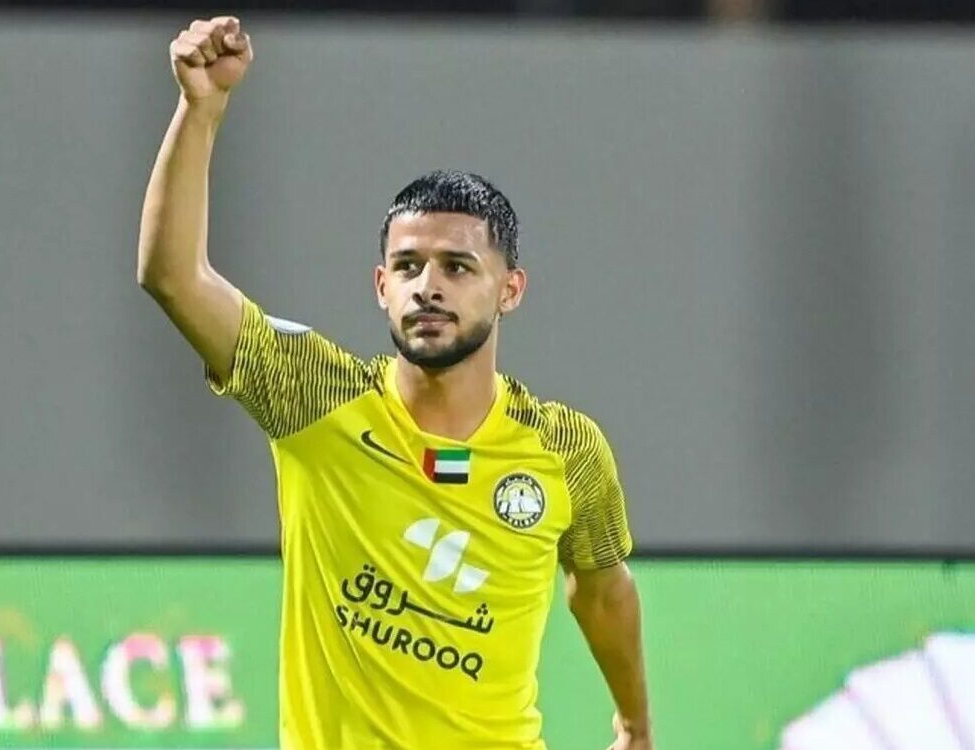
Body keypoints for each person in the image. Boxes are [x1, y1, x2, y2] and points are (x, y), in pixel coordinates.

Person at [136, 16, 653, 750]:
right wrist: (201, 110)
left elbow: (602, 590)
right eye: (408, 267)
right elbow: (172, 277)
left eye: (458, 267)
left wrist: (635, 725)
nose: (427, 287)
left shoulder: (567, 450)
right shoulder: (314, 397)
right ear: (382, 286)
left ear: (510, 289)